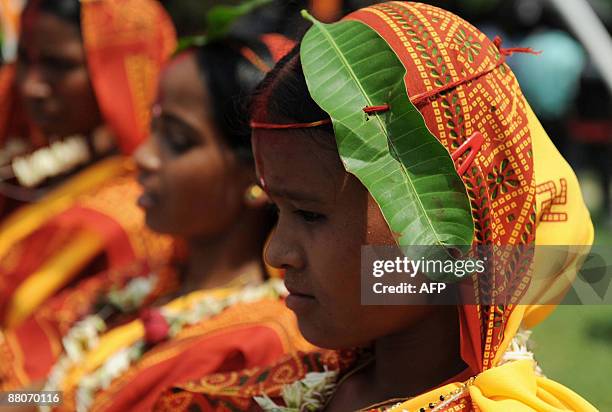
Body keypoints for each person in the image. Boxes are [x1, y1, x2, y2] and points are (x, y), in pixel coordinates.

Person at [152, 2, 596, 411]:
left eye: (309, 214)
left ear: (445, 215)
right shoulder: (238, 397)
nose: (276, 252)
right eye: (278, 210)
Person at [1, 34, 315, 412]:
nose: (145, 156)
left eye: (179, 141)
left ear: (256, 174)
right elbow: (53, 394)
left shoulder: (256, 341)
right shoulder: (146, 283)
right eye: (155, 128)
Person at [0, 0, 176, 328]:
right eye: (24, 59)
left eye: (61, 65)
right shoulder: (18, 161)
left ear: (119, 70)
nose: (31, 86)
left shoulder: (142, 210)